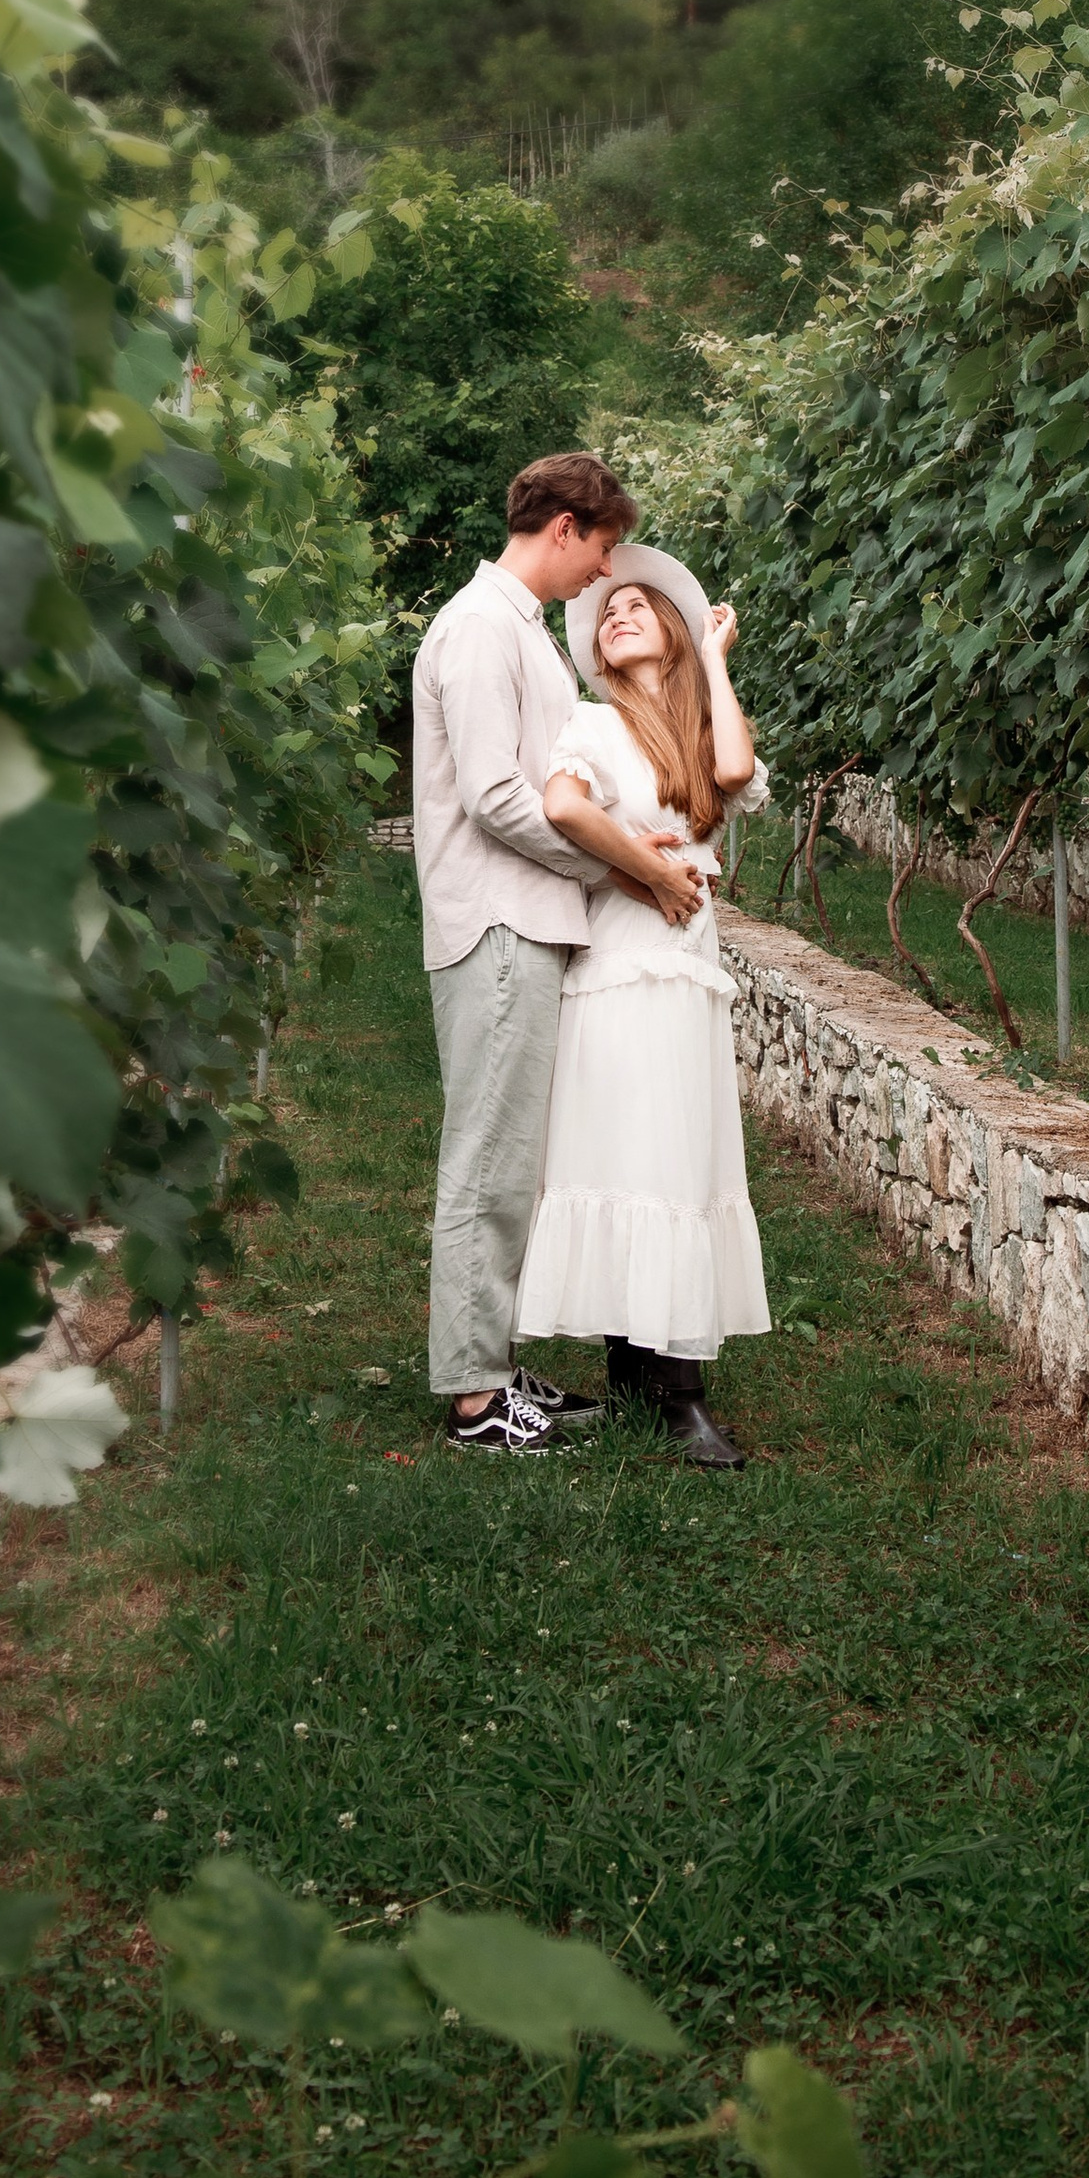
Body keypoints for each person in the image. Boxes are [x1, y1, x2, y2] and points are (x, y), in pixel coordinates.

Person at [410, 452, 706, 1454]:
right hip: (498, 921)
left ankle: (491, 1363)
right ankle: (474, 1399)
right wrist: (623, 868)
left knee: (514, 1164)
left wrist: (627, 846)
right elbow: (497, 798)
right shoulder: (479, 628)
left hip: (527, 920)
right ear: (566, 527)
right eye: (606, 545)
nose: (606, 571)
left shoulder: (520, 629)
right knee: (487, 1162)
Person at [510, 544, 771, 1471]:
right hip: (623, 963)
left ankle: (646, 1378)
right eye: (606, 613)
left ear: (674, 630)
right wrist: (643, 862)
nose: (616, 617)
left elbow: (733, 771)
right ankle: (673, 1395)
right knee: (634, 1152)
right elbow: (561, 809)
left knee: (679, 1155)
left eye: (636, 608)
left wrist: (716, 659)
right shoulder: (591, 723)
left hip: (688, 969)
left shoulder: (696, 729)